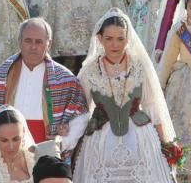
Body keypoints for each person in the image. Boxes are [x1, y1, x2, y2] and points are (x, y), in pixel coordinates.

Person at [71, 10, 176, 182]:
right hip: (101, 142)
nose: (115, 44)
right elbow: (80, 110)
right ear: (100, 39)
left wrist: (166, 144)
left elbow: (152, 106)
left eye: (120, 39)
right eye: (109, 39)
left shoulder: (140, 66)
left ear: (128, 39)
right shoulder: (89, 70)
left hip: (140, 139)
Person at [0, 19, 88, 150]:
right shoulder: (1, 75)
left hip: (47, 152)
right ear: (19, 42)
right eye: (28, 41)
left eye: (39, 41)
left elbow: (81, 115)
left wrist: (64, 141)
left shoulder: (66, 79)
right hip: (9, 150)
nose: (33, 47)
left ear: (49, 44)